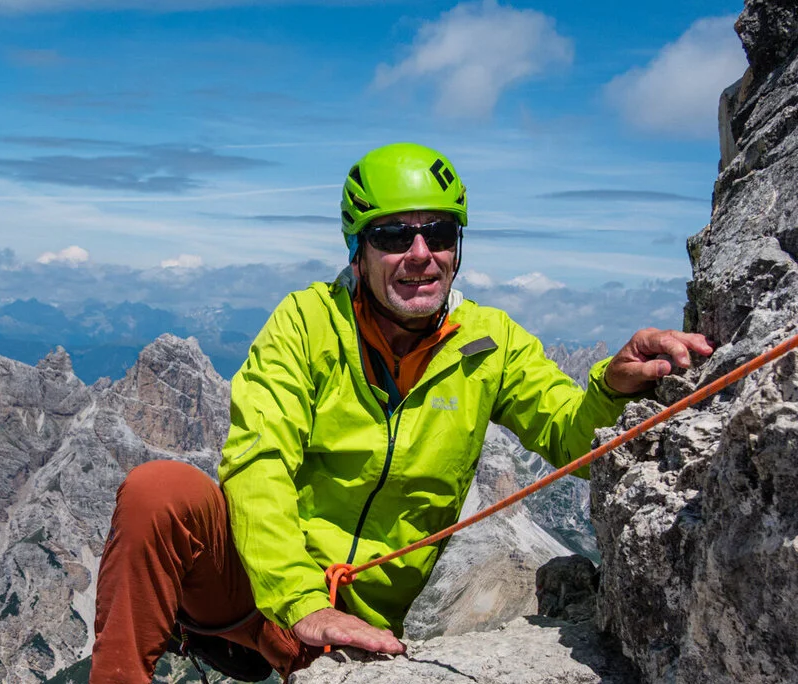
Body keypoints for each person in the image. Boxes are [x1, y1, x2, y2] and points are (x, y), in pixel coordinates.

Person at [89, 142, 712, 683]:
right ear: (357, 251)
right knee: (157, 491)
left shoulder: (489, 344)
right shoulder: (306, 325)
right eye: (392, 236)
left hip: (357, 622)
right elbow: (259, 462)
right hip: (252, 589)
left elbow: (574, 441)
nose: (421, 254)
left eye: (439, 234)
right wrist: (301, 601)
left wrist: (612, 388)